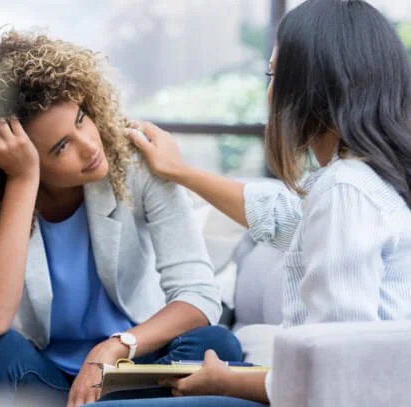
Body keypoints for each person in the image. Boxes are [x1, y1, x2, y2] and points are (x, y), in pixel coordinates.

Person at [0, 30, 243, 406]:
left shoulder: (136, 164)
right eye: (61, 147)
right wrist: (24, 181)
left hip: (134, 370)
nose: (90, 146)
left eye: (81, 119)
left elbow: (198, 294)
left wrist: (115, 347)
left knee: (216, 344)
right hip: (47, 379)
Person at [118, 0, 411, 405]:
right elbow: (281, 217)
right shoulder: (366, 182)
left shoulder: (346, 190)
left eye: (275, 74)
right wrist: (179, 172)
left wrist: (225, 382)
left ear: (314, 86)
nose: (270, 92)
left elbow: (337, 369)